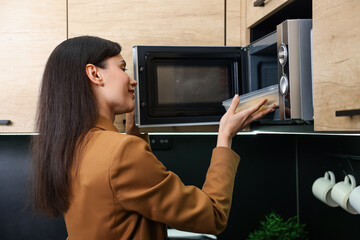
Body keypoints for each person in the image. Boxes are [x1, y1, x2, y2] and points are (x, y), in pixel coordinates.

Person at [30, 36, 274, 240]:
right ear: (95, 74)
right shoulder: (121, 152)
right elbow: (212, 215)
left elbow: (119, 205)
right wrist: (225, 136)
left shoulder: (69, 146)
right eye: (123, 68)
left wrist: (134, 127)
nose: (132, 80)